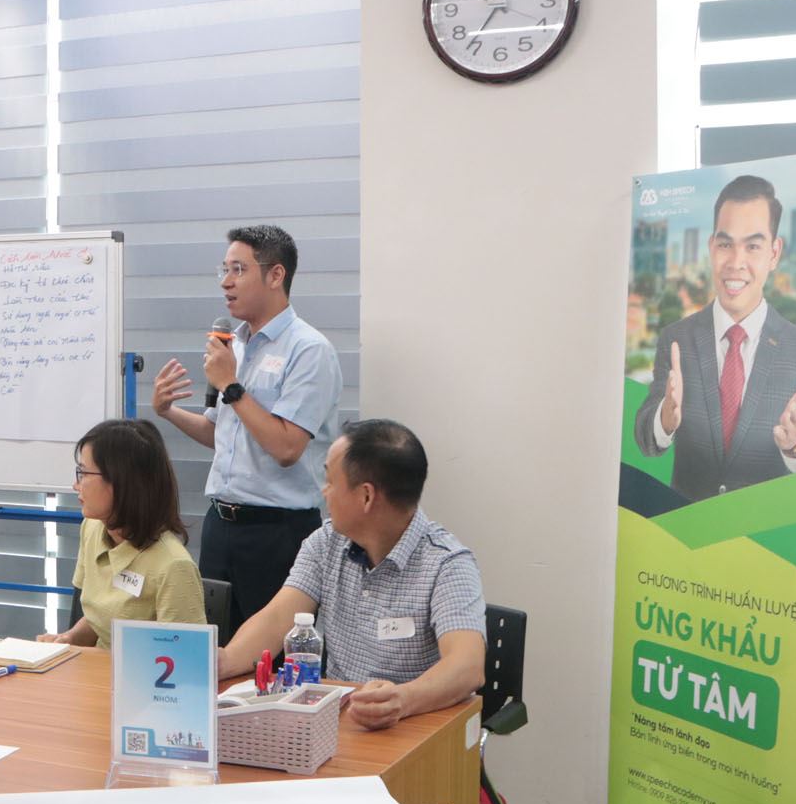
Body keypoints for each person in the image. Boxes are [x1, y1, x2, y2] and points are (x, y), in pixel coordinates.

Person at [218, 421, 484, 732]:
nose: (324, 491)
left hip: (411, 729)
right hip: (340, 723)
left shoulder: (447, 564)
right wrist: (225, 661)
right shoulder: (326, 542)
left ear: (366, 496)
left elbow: (466, 666)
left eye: (331, 481)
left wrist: (402, 699)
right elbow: (277, 619)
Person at [150, 224, 342, 627]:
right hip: (221, 526)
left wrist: (231, 385)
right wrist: (167, 411)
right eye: (224, 269)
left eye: (238, 269)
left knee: (273, 654)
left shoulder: (309, 350)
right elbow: (219, 433)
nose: (226, 282)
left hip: (277, 533)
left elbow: (287, 447)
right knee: (215, 647)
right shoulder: (233, 345)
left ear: (276, 275)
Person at [633, 174, 796, 502]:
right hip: (685, 529)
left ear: (774, 253)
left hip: (766, 531)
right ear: (711, 247)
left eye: (753, 246)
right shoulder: (676, 340)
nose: (735, 263)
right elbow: (645, 439)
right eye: (725, 244)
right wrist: (664, 420)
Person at [39, 418, 205, 649]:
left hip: (141, 673)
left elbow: (187, 659)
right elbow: (99, 619)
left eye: (83, 473)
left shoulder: (173, 566)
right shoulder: (92, 528)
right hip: (97, 668)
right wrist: (69, 638)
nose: (76, 485)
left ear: (121, 482)